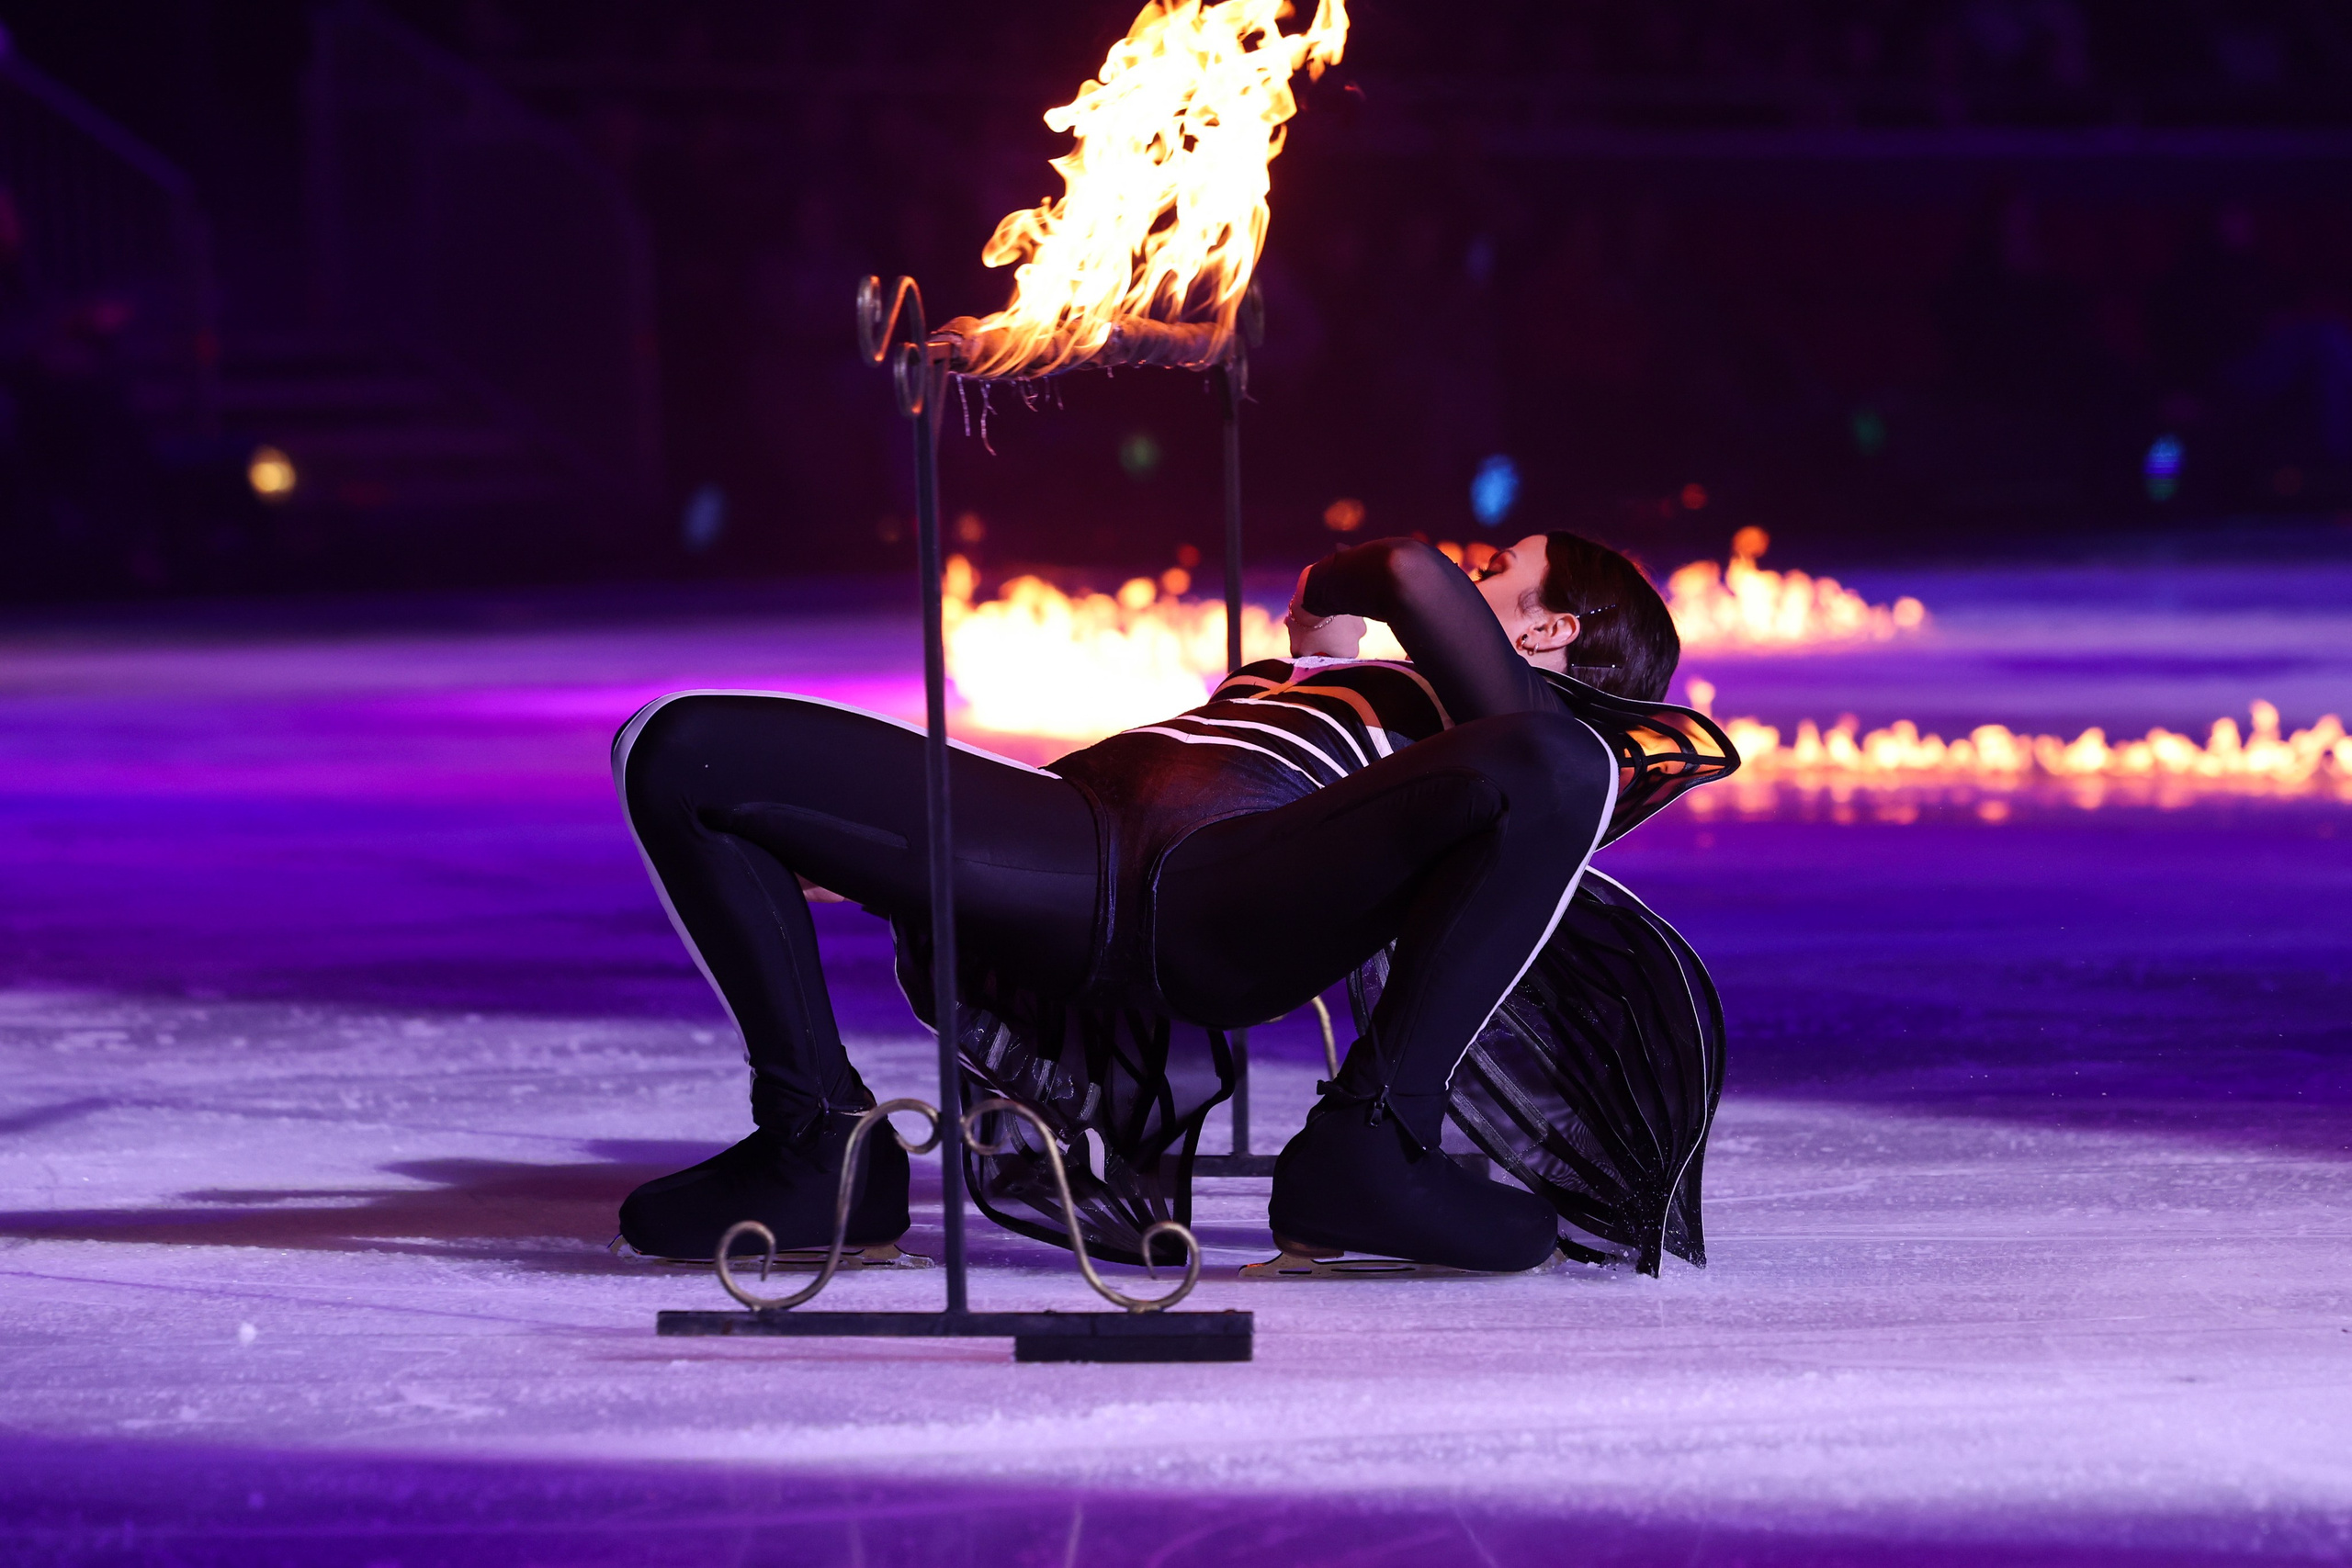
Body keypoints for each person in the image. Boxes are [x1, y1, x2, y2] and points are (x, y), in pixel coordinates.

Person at [612, 532, 1735, 1275]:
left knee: (1558, 762)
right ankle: (822, 1148)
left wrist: (1318, 604)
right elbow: (1169, 761)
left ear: (1544, 634)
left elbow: (1403, 571)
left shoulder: (1518, 718)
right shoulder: (1326, 687)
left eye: (1499, 567)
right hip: (1077, 851)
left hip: (1231, 896)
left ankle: (1375, 1144)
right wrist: (890, 853)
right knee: (682, 747)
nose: (1471, 569)